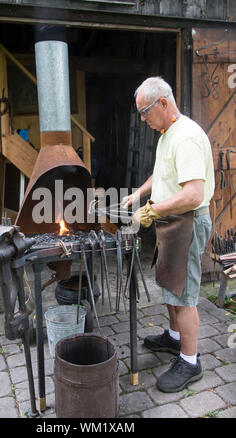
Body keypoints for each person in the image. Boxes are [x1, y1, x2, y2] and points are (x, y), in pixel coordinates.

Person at [122, 76, 215, 393]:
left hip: (187, 221)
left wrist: (152, 210)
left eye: (145, 112)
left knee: (184, 295)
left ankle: (190, 361)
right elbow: (162, 171)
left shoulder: (186, 136)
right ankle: (175, 339)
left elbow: (193, 194)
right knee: (170, 284)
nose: (143, 119)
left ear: (163, 103)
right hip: (171, 221)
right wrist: (139, 194)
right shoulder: (167, 134)